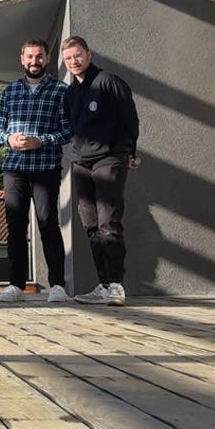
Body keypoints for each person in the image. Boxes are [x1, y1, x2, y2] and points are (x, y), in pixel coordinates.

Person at [0, 38, 72, 303]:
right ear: (21, 59)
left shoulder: (61, 91)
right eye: (29, 57)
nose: (34, 61)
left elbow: (69, 129)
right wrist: (8, 139)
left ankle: (57, 285)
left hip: (45, 167)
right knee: (15, 226)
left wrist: (42, 141)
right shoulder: (10, 91)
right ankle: (15, 285)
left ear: (47, 59)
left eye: (39, 57)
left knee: (48, 224)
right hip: (14, 169)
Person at [62, 35, 139, 307]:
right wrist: (72, 156)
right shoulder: (70, 94)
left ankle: (117, 285)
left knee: (109, 221)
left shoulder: (108, 82)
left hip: (110, 158)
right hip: (82, 163)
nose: (74, 61)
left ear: (89, 55)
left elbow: (130, 117)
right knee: (91, 224)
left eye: (78, 55)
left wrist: (130, 151)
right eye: (69, 58)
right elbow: (70, 129)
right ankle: (104, 285)